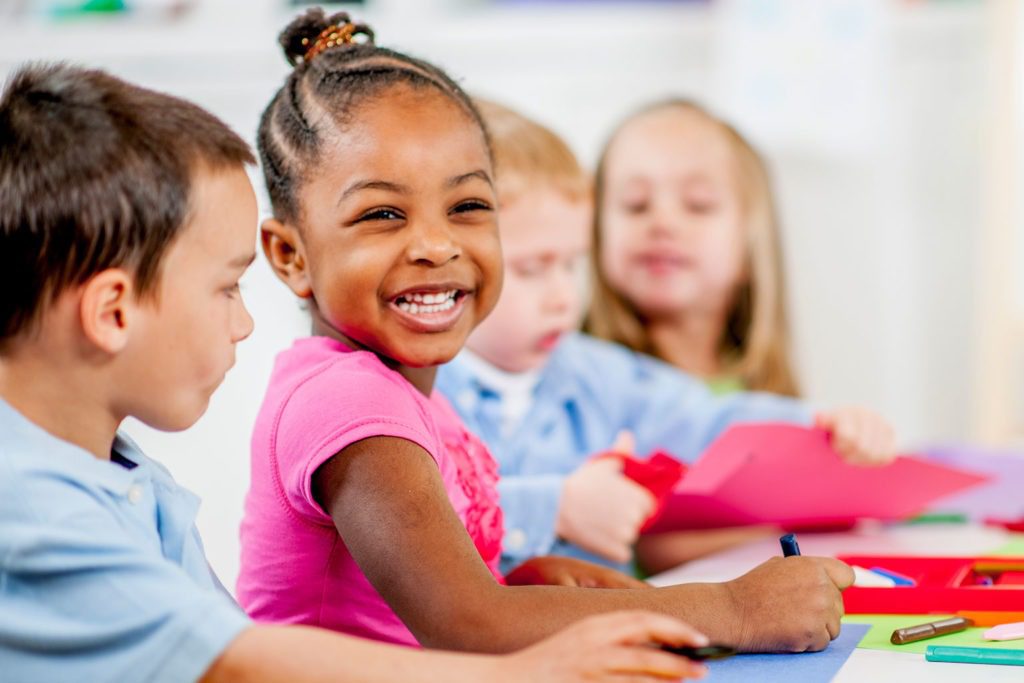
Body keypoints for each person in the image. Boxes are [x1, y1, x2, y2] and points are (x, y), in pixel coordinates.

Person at [0, 61, 710, 683]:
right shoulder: (30, 510)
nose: (244, 323)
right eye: (227, 288)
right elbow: (235, 663)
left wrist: (520, 599)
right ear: (113, 311)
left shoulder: (123, 478)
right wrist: (530, 669)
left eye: (467, 205)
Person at [238, 8, 854, 657]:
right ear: (291, 256)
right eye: (383, 213)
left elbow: (438, 606)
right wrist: (733, 606)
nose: (436, 244)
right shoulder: (349, 403)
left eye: (468, 206)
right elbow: (469, 623)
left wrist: (526, 583)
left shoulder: (410, 394)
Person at [437, 100, 897, 576]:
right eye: (533, 269)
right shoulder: (418, 389)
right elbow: (414, 515)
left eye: (573, 265)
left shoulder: (597, 372)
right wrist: (555, 508)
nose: (563, 297)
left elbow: (706, 420)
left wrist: (822, 426)